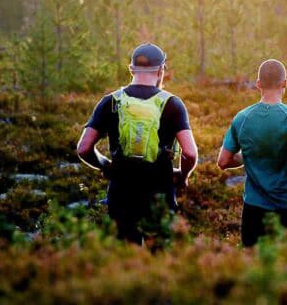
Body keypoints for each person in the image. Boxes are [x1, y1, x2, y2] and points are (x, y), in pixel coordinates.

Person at [77, 43, 199, 244]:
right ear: (161, 70)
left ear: (131, 69)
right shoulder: (172, 104)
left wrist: (105, 164)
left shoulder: (111, 102)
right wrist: (182, 176)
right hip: (159, 194)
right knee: (158, 257)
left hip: (121, 194)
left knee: (127, 259)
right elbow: (190, 153)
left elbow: (83, 148)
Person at [217, 59, 287, 247]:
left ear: (258, 84)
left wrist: (248, 155)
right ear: (285, 83)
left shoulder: (242, 117)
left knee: (256, 269)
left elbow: (223, 161)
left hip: (253, 209)